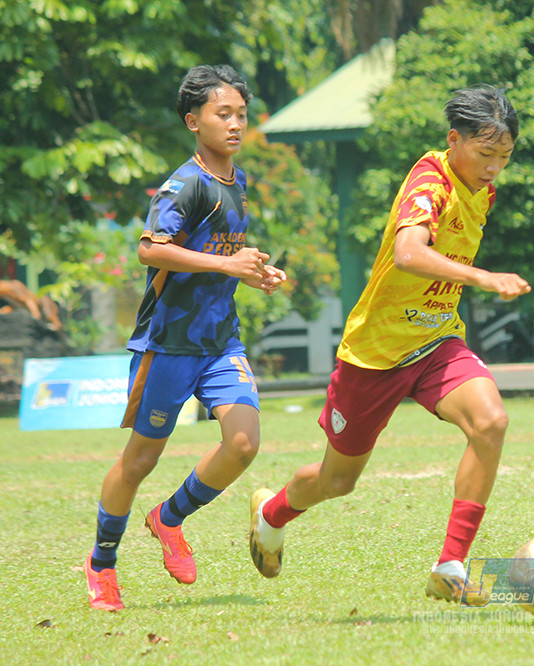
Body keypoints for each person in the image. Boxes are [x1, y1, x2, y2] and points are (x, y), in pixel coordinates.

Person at [247, 85, 531, 603]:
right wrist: (484, 277)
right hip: (374, 354)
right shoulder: (430, 181)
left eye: (505, 157)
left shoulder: (482, 191)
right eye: (486, 153)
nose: (494, 168)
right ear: (454, 140)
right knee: (338, 481)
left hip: (437, 340)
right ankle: (271, 513)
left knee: (490, 422)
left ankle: (450, 564)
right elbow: (408, 253)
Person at [84, 65, 287, 611]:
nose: (236, 124)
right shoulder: (186, 183)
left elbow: (220, 254)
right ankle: (102, 563)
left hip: (221, 342)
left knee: (243, 444)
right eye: (224, 114)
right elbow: (151, 249)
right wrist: (227, 266)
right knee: (139, 463)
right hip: (168, 344)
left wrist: (252, 271)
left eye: (241, 114)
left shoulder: (237, 181)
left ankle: (168, 518)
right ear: (194, 121)